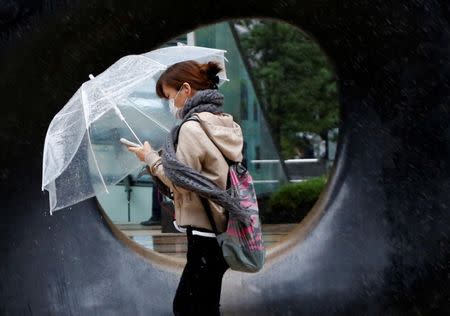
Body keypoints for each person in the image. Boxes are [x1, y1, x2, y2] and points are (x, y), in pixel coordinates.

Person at [127, 60, 244, 316]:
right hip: (224, 229)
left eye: (170, 96)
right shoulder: (224, 123)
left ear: (186, 90)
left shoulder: (191, 128)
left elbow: (181, 182)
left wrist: (150, 158)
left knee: (187, 307)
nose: (171, 103)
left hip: (204, 234)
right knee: (206, 305)